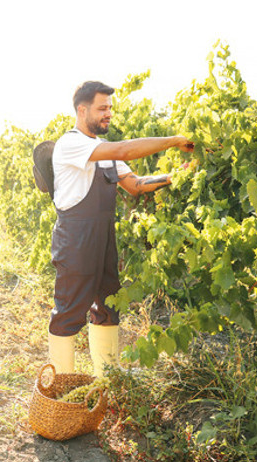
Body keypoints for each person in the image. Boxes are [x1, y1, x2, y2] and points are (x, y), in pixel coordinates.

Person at [48, 81, 194, 377]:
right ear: (82, 110)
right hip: (75, 239)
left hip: (103, 237)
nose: (108, 114)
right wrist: (173, 140)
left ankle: (107, 375)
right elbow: (126, 150)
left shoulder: (104, 151)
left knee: (108, 304)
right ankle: (61, 383)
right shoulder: (71, 143)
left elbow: (136, 185)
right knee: (69, 310)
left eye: (110, 108)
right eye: (102, 108)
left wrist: (174, 176)